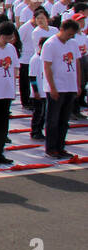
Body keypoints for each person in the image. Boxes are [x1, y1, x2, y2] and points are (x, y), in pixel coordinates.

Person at [41, 16, 82, 159]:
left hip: (70, 85)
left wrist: (78, 84)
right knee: (53, 119)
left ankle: (60, 146)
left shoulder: (73, 43)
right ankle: (51, 148)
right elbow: (47, 67)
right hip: (57, 86)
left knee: (64, 120)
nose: (70, 37)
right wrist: (52, 87)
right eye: (69, 33)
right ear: (62, 29)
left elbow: (76, 64)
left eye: (72, 35)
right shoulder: (50, 44)